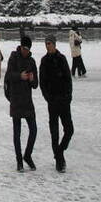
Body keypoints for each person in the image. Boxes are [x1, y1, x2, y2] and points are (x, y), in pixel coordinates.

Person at [39, 34, 73, 173]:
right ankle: (60, 161)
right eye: (46, 44)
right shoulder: (44, 61)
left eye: (50, 43)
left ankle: (59, 152)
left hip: (64, 100)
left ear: (54, 44)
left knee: (69, 130)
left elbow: (68, 79)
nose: (48, 46)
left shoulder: (62, 59)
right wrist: (48, 98)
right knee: (54, 132)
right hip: (52, 102)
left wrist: (68, 96)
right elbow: (42, 83)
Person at [5, 35, 39, 172]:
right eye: (24, 48)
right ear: (21, 47)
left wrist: (31, 79)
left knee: (34, 130)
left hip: (27, 101)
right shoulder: (13, 57)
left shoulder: (31, 61)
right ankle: (19, 160)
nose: (26, 51)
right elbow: (8, 76)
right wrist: (20, 76)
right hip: (16, 99)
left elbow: (36, 85)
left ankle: (28, 155)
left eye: (28, 49)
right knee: (17, 133)